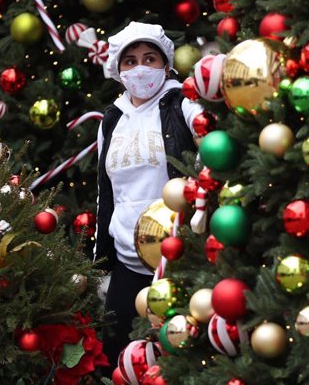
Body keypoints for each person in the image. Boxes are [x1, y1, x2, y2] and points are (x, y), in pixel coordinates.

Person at [94, 22, 202, 368]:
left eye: (149, 58)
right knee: (117, 359)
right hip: (127, 261)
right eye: (130, 61)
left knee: (175, 360)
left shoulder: (180, 105)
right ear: (119, 70)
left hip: (176, 258)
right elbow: (104, 192)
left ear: (166, 65)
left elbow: (210, 152)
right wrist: (101, 260)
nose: (140, 68)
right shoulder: (112, 120)